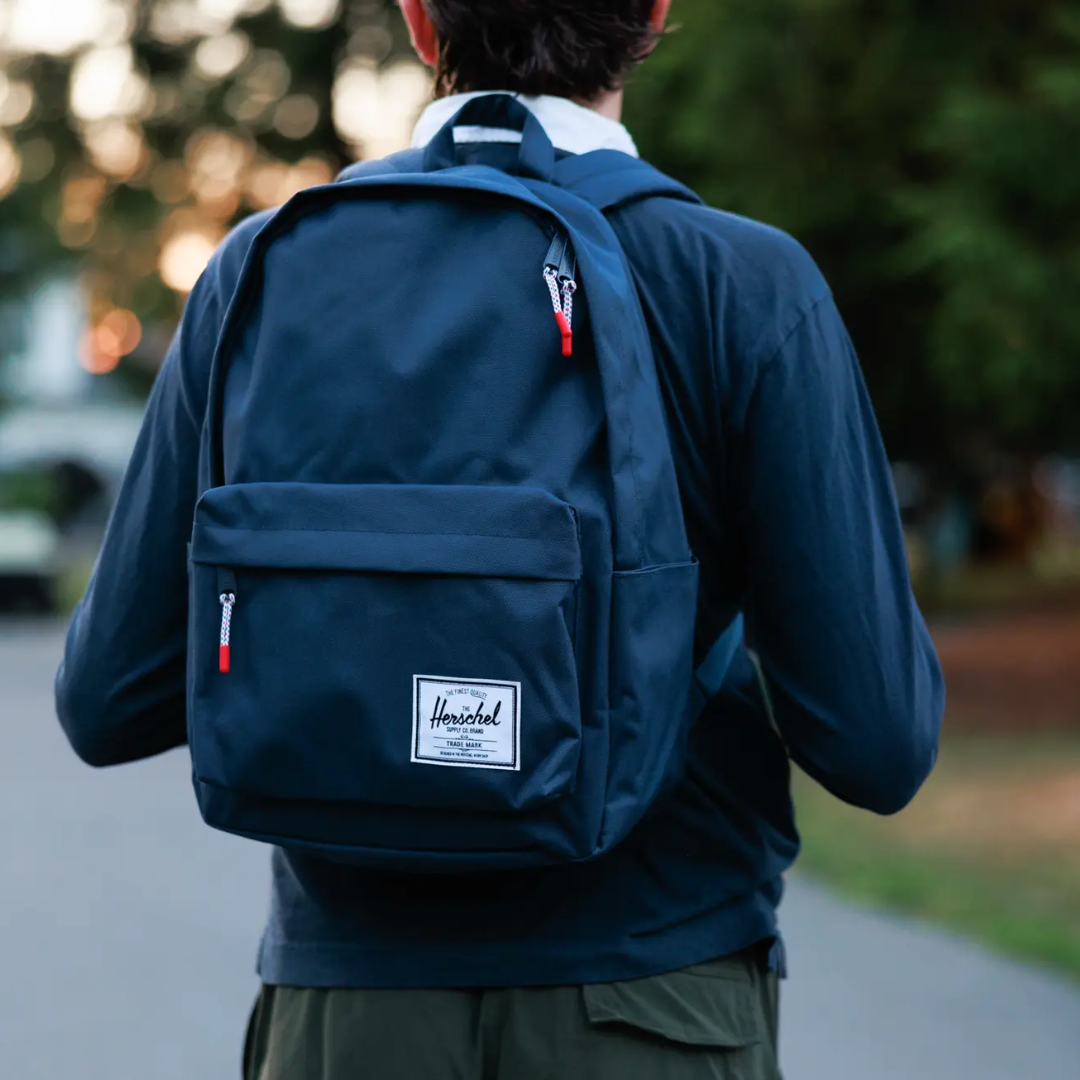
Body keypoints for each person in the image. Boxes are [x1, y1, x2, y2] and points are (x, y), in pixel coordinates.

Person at [55, 1, 945, 1077]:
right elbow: (878, 744)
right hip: (651, 1006)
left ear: (421, 20)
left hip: (349, 1019)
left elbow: (109, 703)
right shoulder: (740, 285)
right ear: (652, 12)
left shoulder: (257, 275)